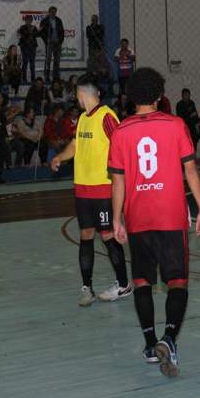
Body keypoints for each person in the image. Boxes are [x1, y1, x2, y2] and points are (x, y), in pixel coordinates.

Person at [108, 67, 200, 377]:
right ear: (159, 95)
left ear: (131, 98)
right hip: (170, 215)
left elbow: (118, 181)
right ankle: (169, 339)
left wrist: (117, 218)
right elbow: (190, 169)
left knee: (142, 281)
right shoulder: (176, 124)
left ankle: (151, 345)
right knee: (177, 281)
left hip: (139, 217)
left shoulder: (122, 131)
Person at [50, 77, 131, 305]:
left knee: (107, 235)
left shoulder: (106, 116)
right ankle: (87, 288)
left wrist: (122, 180)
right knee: (86, 235)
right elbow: (75, 146)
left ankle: (124, 285)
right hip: (83, 189)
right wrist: (60, 157)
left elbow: (121, 143)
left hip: (103, 189)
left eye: (76, 95)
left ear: (83, 94)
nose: (76, 99)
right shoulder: (83, 119)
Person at [39, 7, 64, 83]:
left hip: (58, 43)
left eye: (54, 12)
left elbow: (62, 31)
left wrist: (60, 41)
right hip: (49, 43)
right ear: (49, 12)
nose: (53, 13)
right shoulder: (44, 21)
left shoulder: (59, 20)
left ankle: (55, 76)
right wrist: (46, 41)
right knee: (48, 60)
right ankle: (47, 76)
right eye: (51, 12)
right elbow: (41, 32)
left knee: (57, 60)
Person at [17, 15, 38, 84]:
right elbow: (22, 37)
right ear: (25, 20)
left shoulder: (34, 27)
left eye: (30, 20)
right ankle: (24, 78)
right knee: (25, 63)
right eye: (27, 20)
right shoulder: (22, 27)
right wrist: (30, 33)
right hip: (25, 47)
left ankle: (33, 78)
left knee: (32, 64)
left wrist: (33, 32)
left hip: (32, 47)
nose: (29, 21)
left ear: (32, 21)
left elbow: (36, 35)